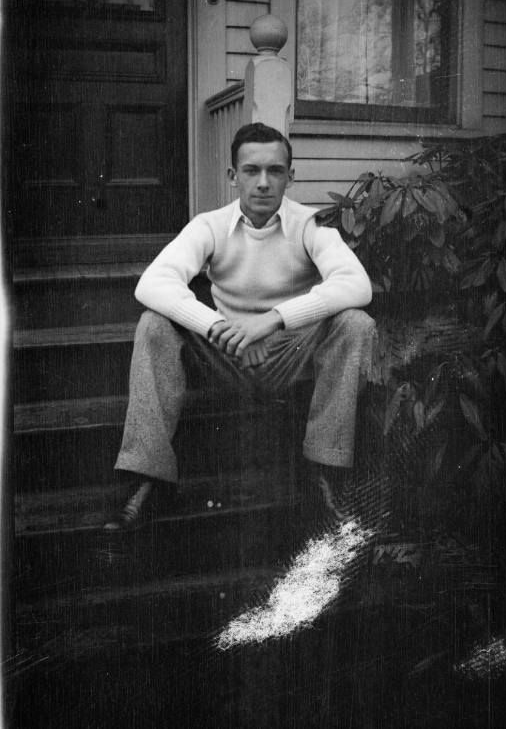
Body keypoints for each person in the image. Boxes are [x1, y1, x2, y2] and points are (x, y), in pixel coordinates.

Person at [104, 122, 376, 531]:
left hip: (288, 355)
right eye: (251, 171)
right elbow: (152, 283)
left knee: (355, 323)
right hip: (224, 357)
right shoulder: (209, 225)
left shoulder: (311, 225)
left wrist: (271, 322)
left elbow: (357, 284)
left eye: (275, 171)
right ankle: (148, 478)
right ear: (233, 176)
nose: (263, 183)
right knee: (154, 324)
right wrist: (219, 329)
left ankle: (324, 475)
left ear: (291, 176)